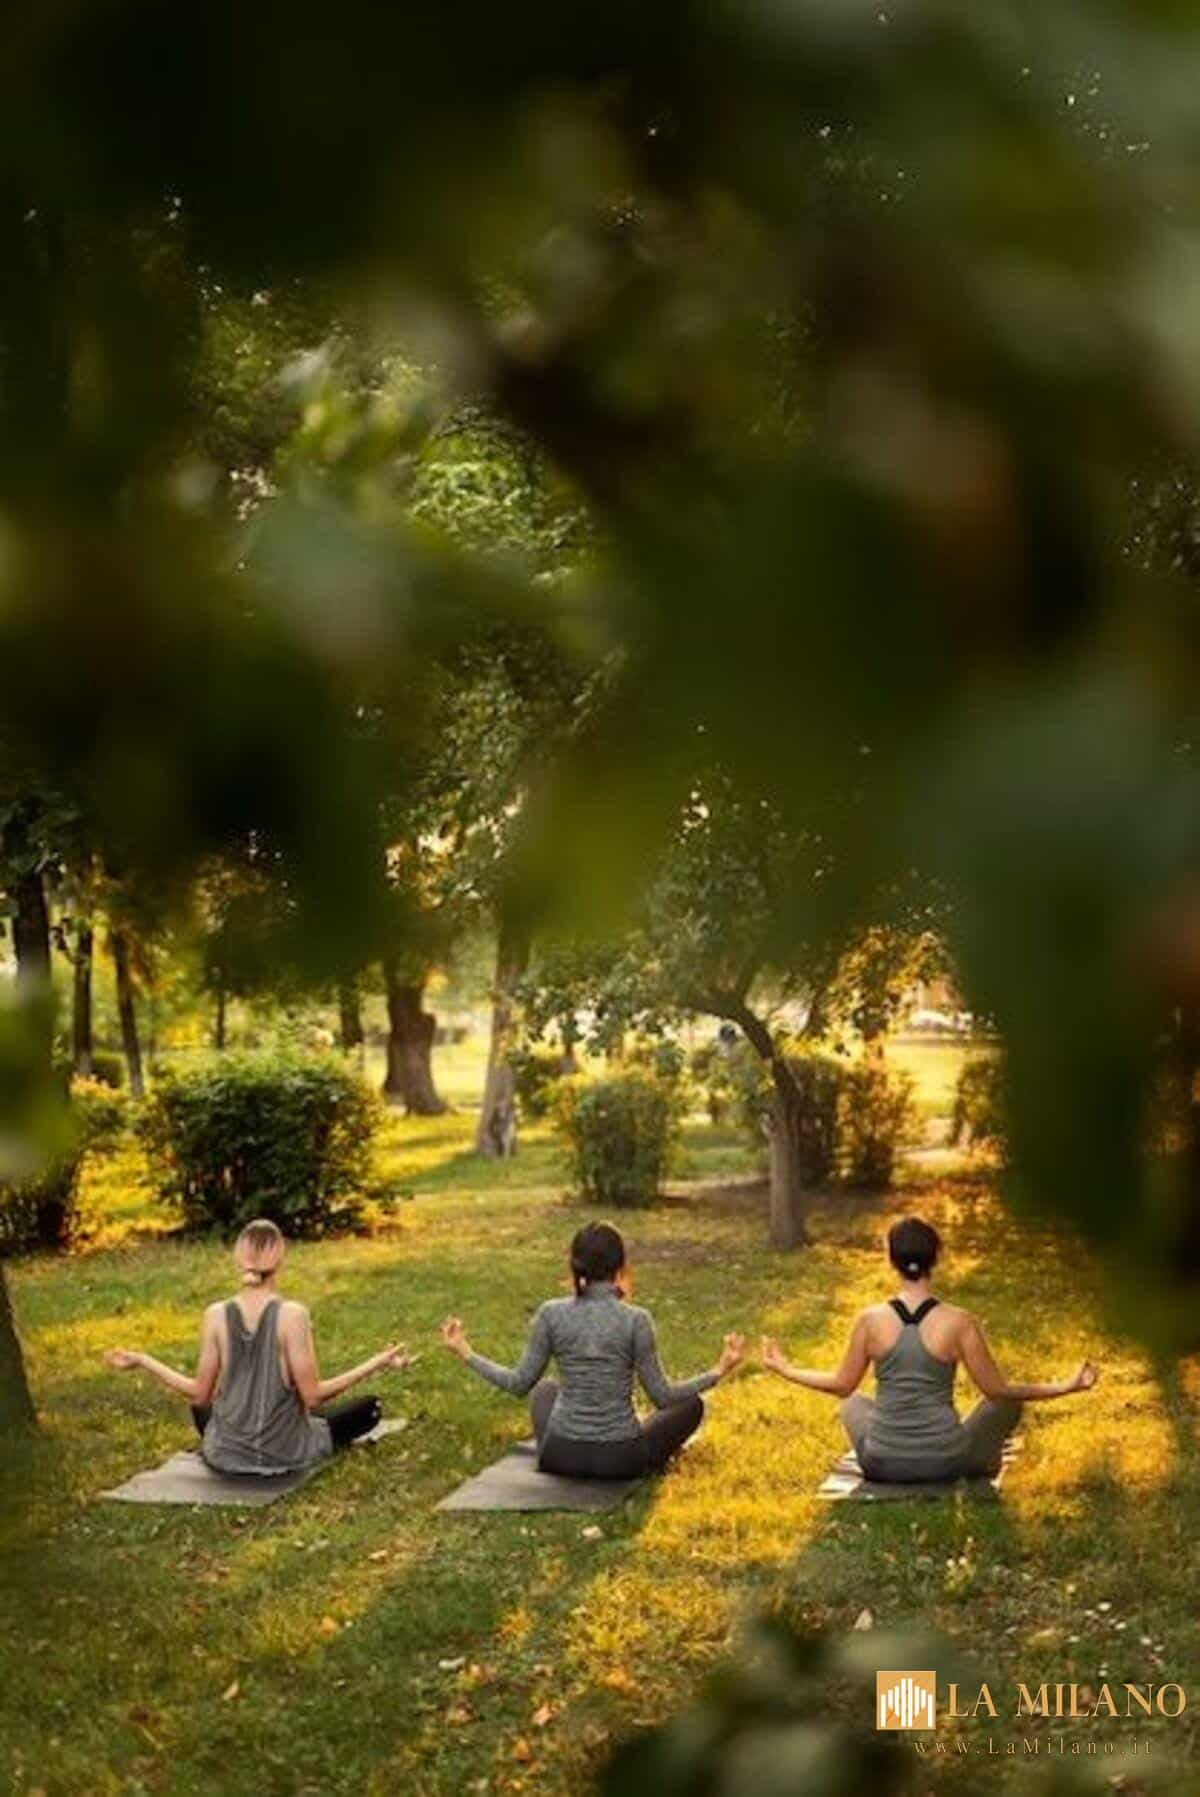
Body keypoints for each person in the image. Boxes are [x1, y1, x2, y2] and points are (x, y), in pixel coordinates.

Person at [761, 1215, 1099, 1483]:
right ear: (935, 1257)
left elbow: (841, 1385)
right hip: (946, 1461)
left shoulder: (870, 1320)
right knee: (1007, 1403)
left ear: (891, 1260)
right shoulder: (959, 1322)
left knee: (852, 1402)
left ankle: (945, 1455)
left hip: (882, 1462)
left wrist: (786, 1369)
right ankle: (981, 1461)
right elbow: (997, 1391)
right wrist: (1066, 1386)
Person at [104, 1217, 415, 1475]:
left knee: (204, 1408)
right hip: (284, 1452)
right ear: (279, 1261)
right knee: (369, 1407)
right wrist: (377, 1361)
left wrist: (142, 1359)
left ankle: (233, 1439)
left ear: (238, 1260)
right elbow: (313, 1397)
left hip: (225, 1454)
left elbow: (199, 1395)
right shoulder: (293, 1315)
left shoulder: (215, 1314)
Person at [440, 1221, 746, 1478]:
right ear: (620, 1266)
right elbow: (663, 1396)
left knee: (544, 1389)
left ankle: (578, 1443)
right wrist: (718, 1370)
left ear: (575, 1265)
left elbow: (518, 1383)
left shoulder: (551, 1314)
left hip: (560, 1457)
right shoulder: (636, 1319)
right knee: (691, 1404)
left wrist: (465, 1351)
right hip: (621, 1460)